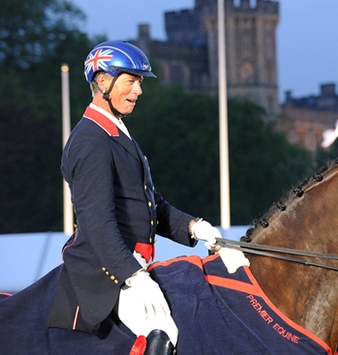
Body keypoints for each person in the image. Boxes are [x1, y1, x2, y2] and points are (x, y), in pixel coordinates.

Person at [46, 40, 221, 355]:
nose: (138, 90)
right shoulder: (90, 141)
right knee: (164, 330)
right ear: (103, 82)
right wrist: (132, 275)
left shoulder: (116, 134)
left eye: (139, 82)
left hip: (130, 263)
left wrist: (196, 228)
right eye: (130, 81)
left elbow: (151, 203)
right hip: (104, 271)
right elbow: (97, 222)